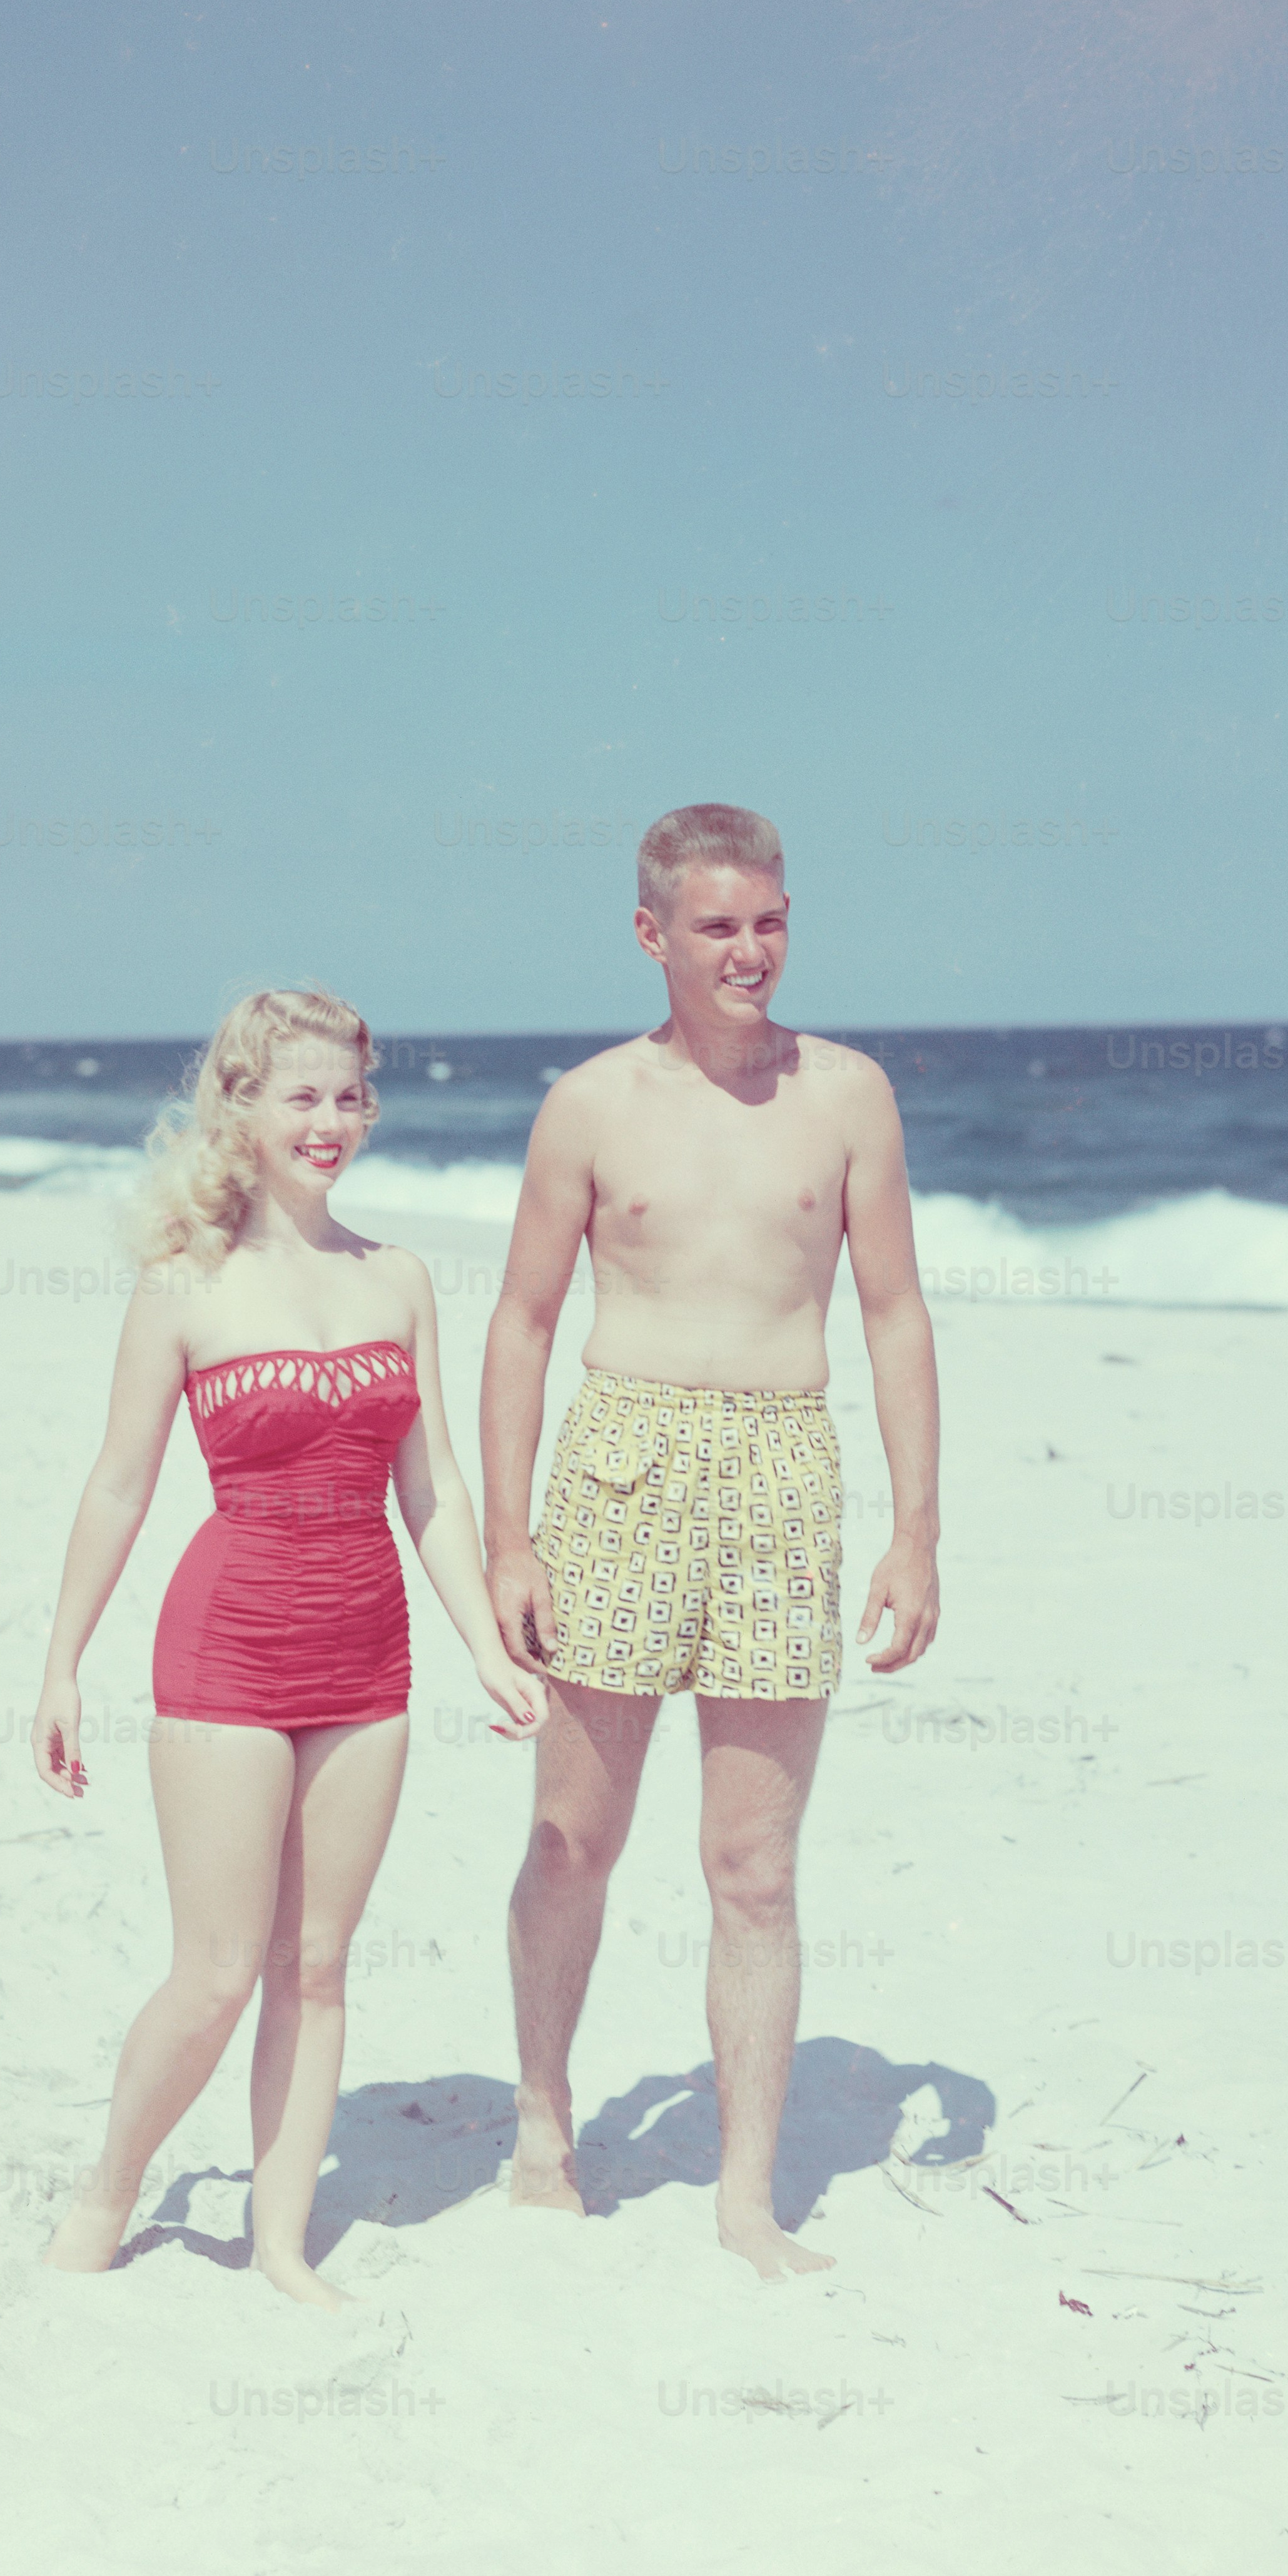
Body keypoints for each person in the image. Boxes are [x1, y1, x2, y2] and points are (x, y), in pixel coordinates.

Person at [480, 806, 940, 2279]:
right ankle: (542, 2122)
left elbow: (891, 1314)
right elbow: (524, 1320)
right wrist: (508, 1535)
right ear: (650, 935)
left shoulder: (850, 1095)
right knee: (572, 1834)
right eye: (716, 926)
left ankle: (746, 2195)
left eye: (769, 922)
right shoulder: (591, 1105)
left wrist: (914, 1531)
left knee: (753, 1863)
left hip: (780, 1477)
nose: (748, 952)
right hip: (620, 1464)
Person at [30, 986, 542, 2300]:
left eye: (348, 1095)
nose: (329, 1121)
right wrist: (61, 1664)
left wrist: (483, 1643)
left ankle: (276, 2243)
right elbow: (119, 1483)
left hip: (369, 1660)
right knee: (212, 1972)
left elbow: (430, 1493)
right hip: (226, 1653)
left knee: (316, 1969)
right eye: (301, 1095)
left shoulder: (401, 1278)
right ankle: (105, 2198)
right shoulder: (184, 1283)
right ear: (242, 1107)